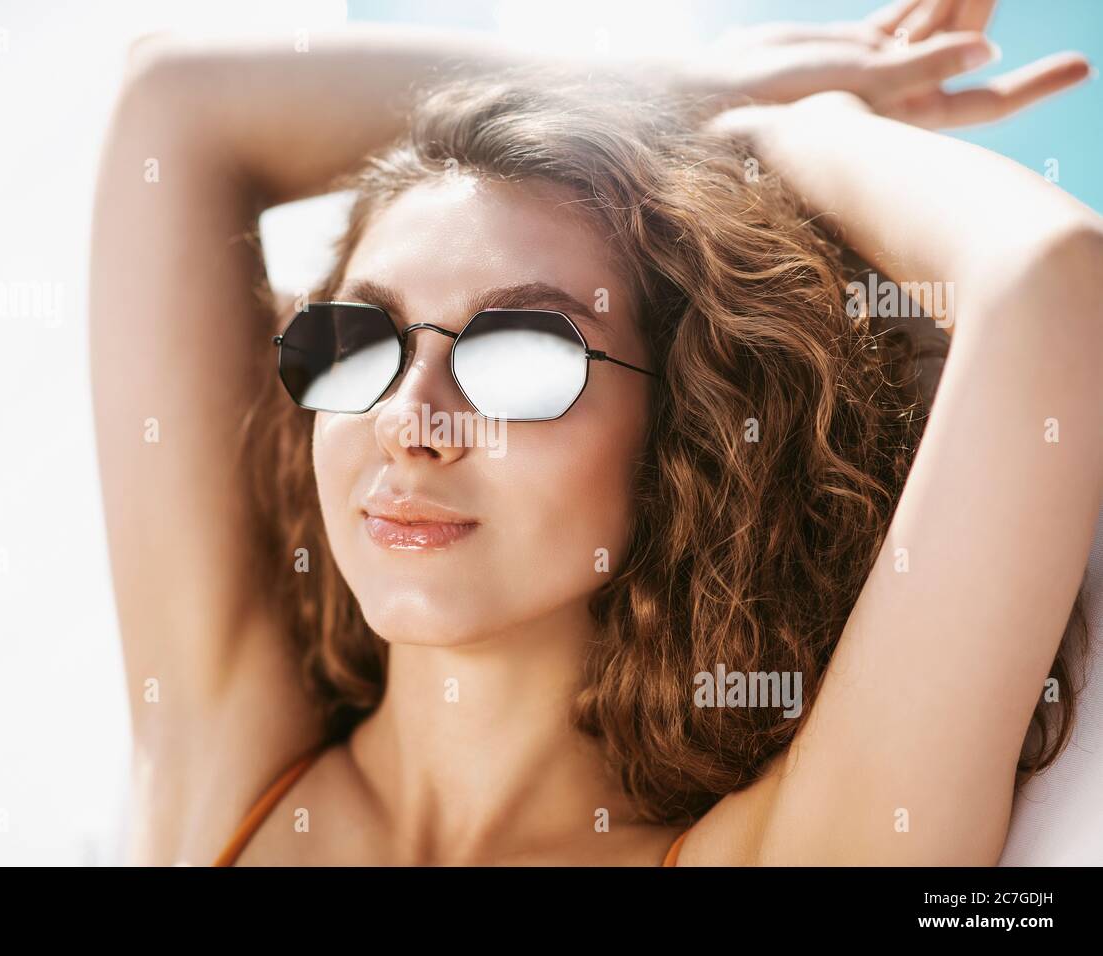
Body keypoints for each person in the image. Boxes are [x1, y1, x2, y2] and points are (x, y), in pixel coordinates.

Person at [89, 0, 1101, 865]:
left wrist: (785, 134)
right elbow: (173, 103)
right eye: (362, 341)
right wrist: (688, 95)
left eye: (522, 354)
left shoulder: (795, 846)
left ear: (684, 426)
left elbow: (1053, 285)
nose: (407, 421)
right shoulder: (227, 770)